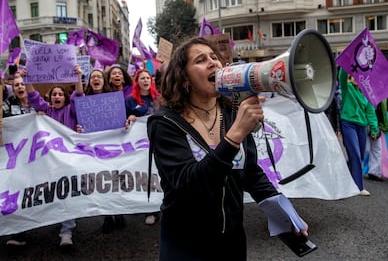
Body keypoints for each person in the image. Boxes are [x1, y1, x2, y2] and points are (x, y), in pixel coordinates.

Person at [146, 37, 309, 260]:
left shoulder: (232, 113)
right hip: (185, 242)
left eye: (215, 57)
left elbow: (251, 172)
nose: (213, 63)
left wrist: (285, 212)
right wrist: (234, 136)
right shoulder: (165, 123)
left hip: (231, 240)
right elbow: (188, 185)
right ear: (184, 78)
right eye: (201, 60)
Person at [21, 65, 84, 247]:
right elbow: (32, 96)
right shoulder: (45, 111)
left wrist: (78, 77)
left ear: (65, 98)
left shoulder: (71, 111)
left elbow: (79, 96)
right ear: (49, 97)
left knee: (68, 194)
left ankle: (66, 232)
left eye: (60, 94)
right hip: (47, 162)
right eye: (54, 94)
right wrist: (27, 79)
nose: (57, 96)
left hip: (68, 161)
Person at [78, 68, 126, 233]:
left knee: (114, 178)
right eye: (93, 77)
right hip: (94, 147)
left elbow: (123, 119)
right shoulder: (84, 101)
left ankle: (119, 212)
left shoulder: (113, 99)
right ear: (90, 82)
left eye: (99, 76)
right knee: (100, 181)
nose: (96, 79)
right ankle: (107, 216)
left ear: (104, 81)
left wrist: (126, 122)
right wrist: (79, 128)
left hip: (112, 145)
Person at [2, 73, 35, 246]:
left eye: (23, 84)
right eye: (16, 85)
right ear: (12, 89)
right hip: (16, 157)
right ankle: (19, 232)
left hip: (37, 155)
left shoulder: (38, 103)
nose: (20, 87)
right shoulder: (7, 105)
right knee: (17, 192)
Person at [125, 69, 160, 225]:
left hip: (158, 141)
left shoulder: (158, 98)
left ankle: (161, 205)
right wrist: (130, 118)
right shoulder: (130, 100)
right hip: (139, 146)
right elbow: (123, 121)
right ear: (137, 81)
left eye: (148, 78)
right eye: (142, 78)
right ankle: (149, 209)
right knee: (145, 174)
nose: (145, 80)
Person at [338, 68, 379, 196]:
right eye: (354, 76)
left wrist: (374, 129)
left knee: (360, 155)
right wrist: (347, 63)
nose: (356, 78)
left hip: (362, 126)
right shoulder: (347, 88)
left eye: (359, 77)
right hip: (348, 124)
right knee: (355, 154)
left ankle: (342, 172)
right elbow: (342, 77)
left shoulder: (366, 93)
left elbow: (370, 113)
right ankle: (358, 186)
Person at [364, 99, 388, 181]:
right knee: (365, 149)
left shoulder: (382, 97)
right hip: (365, 121)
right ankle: (352, 166)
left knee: (377, 148)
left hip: (376, 123)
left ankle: (374, 172)